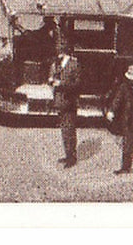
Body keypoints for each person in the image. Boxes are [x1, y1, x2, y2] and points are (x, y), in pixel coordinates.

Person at [50, 35, 81, 168]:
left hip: (69, 101)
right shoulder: (57, 63)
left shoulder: (74, 64)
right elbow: (52, 76)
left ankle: (72, 158)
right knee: (64, 130)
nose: (58, 51)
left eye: (61, 48)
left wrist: (61, 84)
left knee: (69, 130)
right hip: (60, 101)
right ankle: (68, 154)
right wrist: (51, 80)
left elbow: (78, 84)